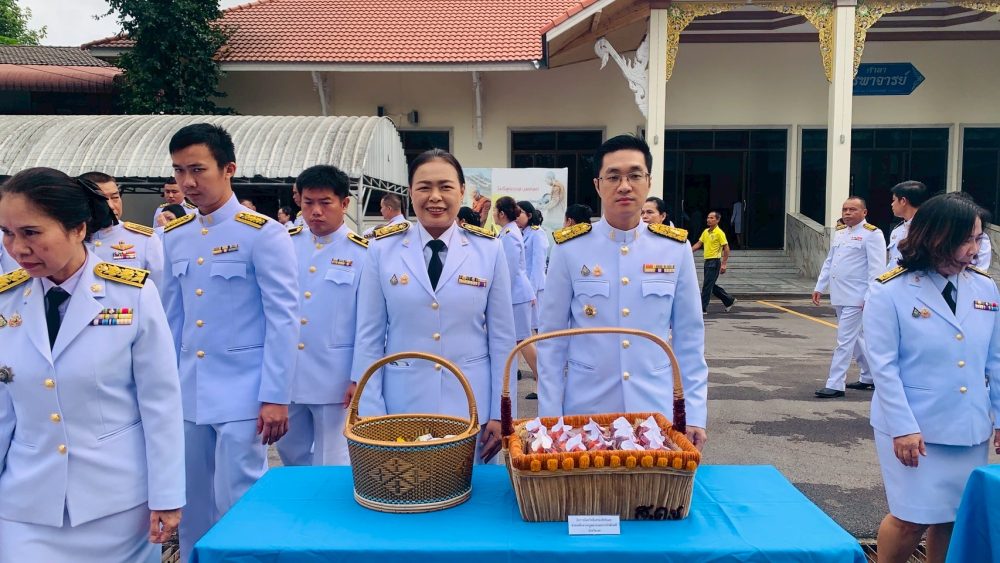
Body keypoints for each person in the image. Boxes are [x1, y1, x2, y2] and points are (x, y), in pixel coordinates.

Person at [0, 168, 184, 562]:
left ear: (78, 229)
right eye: (7, 233)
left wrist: (168, 495)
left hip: (118, 505)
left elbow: (160, 403)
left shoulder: (132, 294)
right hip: (26, 502)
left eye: (31, 232)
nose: (17, 248)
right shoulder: (6, 300)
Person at [161, 123, 298, 562]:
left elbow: (283, 319)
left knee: (238, 497)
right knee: (191, 501)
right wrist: (164, 390)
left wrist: (275, 396)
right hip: (188, 390)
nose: (187, 182)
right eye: (179, 171)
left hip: (244, 391)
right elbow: (170, 319)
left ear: (228, 169)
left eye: (198, 169)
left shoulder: (263, 233)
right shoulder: (174, 236)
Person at [537, 134, 709, 450]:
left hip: (655, 413)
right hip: (585, 412)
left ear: (649, 181)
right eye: (613, 176)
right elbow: (551, 342)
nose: (625, 186)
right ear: (597, 184)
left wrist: (694, 414)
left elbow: (689, 340)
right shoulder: (570, 248)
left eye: (635, 175)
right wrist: (550, 419)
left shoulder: (675, 249)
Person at [350, 149, 516, 464]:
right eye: (424, 187)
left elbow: (503, 338)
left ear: (462, 191)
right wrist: (370, 412)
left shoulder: (489, 250)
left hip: (472, 409)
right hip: (402, 406)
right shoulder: (382, 250)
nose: (435, 197)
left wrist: (501, 413)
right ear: (410, 192)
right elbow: (368, 336)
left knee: (474, 491)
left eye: (445, 186)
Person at [863, 193, 1000, 563]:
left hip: (968, 425)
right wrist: (903, 427)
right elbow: (884, 367)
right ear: (937, 237)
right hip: (914, 428)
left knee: (954, 517)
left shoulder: (984, 287)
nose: (975, 249)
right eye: (966, 239)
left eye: (978, 239)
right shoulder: (890, 289)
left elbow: (996, 360)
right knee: (910, 518)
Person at [277, 165, 367, 467]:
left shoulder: (363, 253)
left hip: (335, 379)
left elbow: (368, 323)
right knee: (290, 456)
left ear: (344, 203)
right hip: (288, 374)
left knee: (333, 460)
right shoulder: (284, 245)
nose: (315, 211)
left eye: (325, 202)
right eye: (308, 203)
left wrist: (359, 376)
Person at [812, 197, 886, 398]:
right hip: (840, 295)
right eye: (845, 209)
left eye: (852, 209)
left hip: (858, 297)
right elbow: (830, 261)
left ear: (864, 212)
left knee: (844, 340)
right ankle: (870, 376)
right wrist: (820, 286)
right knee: (856, 340)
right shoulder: (841, 233)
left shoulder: (872, 234)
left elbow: (876, 269)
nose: (847, 213)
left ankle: (835, 383)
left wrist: (870, 297)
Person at [79, 172, 165, 292]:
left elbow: (160, 289)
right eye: (101, 199)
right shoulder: (69, 239)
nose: (111, 206)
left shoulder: (145, 239)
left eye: (115, 197)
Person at [495, 197, 539, 393]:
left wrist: (500, 296)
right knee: (517, 340)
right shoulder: (508, 231)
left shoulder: (510, 235)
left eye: (494, 211)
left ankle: (543, 378)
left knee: (523, 340)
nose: (493, 215)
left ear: (501, 213)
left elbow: (509, 271)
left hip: (516, 295)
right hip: (516, 294)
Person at [691, 211, 736, 315]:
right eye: (708, 217)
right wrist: (688, 251)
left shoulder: (719, 233)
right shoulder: (705, 232)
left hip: (714, 262)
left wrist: (724, 264)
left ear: (717, 220)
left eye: (712, 218)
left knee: (707, 286)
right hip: (707, 261)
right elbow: (699, 244)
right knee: (710, 285)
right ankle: (729, 300)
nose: (709, 220)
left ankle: (702, 308)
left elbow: (726, 248)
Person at [887, 180, 931, 268]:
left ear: (903, 201)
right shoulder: (897, 230)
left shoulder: (928, 228)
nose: (892, 204)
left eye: (894, 200)